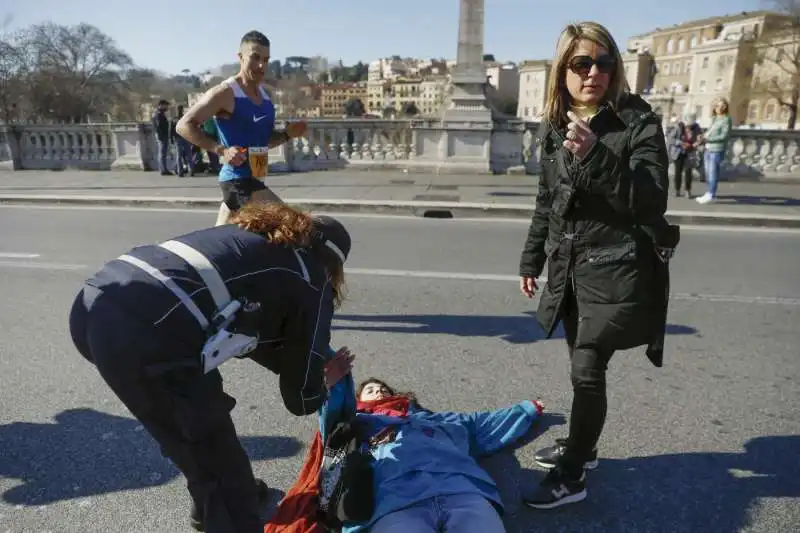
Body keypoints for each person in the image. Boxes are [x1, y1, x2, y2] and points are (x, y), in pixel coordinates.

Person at [68, 202, 352, 533]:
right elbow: (300, 397)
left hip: (94, 308)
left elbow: (249, 334)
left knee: (189, 429)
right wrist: (323, 383)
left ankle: (217, 505)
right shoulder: (312, 277)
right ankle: (231, 508)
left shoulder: (249, 239)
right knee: (208, 444)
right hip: (149, 325)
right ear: (331, 263)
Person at [518, 21, 676, 509]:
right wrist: (531, 256)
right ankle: (582, 449)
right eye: (582, 63)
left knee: (587, 370)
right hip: (568, 267)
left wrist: (595, 156)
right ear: (562, 70)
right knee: (580, 364)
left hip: (615, 266)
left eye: (604, 63)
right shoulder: (552, 123)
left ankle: (573, 474)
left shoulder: (637, 120)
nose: (594, 73)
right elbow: (548, 200)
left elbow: (651, 198)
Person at [265, 353, 545, 533]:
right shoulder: (357, 422)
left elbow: (485, 423)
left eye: (383, 388)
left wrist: (528, 409)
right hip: (393, 501)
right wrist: (332, 386)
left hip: (462, 490)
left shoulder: (440, 421)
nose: (379, 391)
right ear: (361, 400)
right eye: (370, 390)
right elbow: (333, 423)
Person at [175, 30, 308, 226]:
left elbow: (264, 141)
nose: (261, 65)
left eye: (266, 59)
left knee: (222, 243)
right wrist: (221, 150)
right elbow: (183, 125)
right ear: (240, 57)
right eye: (255, 58)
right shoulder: (225, 93)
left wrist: (288, 135)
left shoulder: (265, 97)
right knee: (293, 224)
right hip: (238, 181)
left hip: (257, 178)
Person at [696, 97, 732, 205]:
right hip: (708, 148)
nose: (719, 108)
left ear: (725, 107)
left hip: (717, 149)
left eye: (721, 106)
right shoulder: (715, 118)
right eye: (717, 105)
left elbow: (724, 136)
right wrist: (703, 137)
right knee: (707, 172)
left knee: (713, 173)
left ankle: (711, 194)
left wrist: (708, 139)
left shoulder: (727, 119)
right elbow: (711, 132)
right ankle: (708, 192)